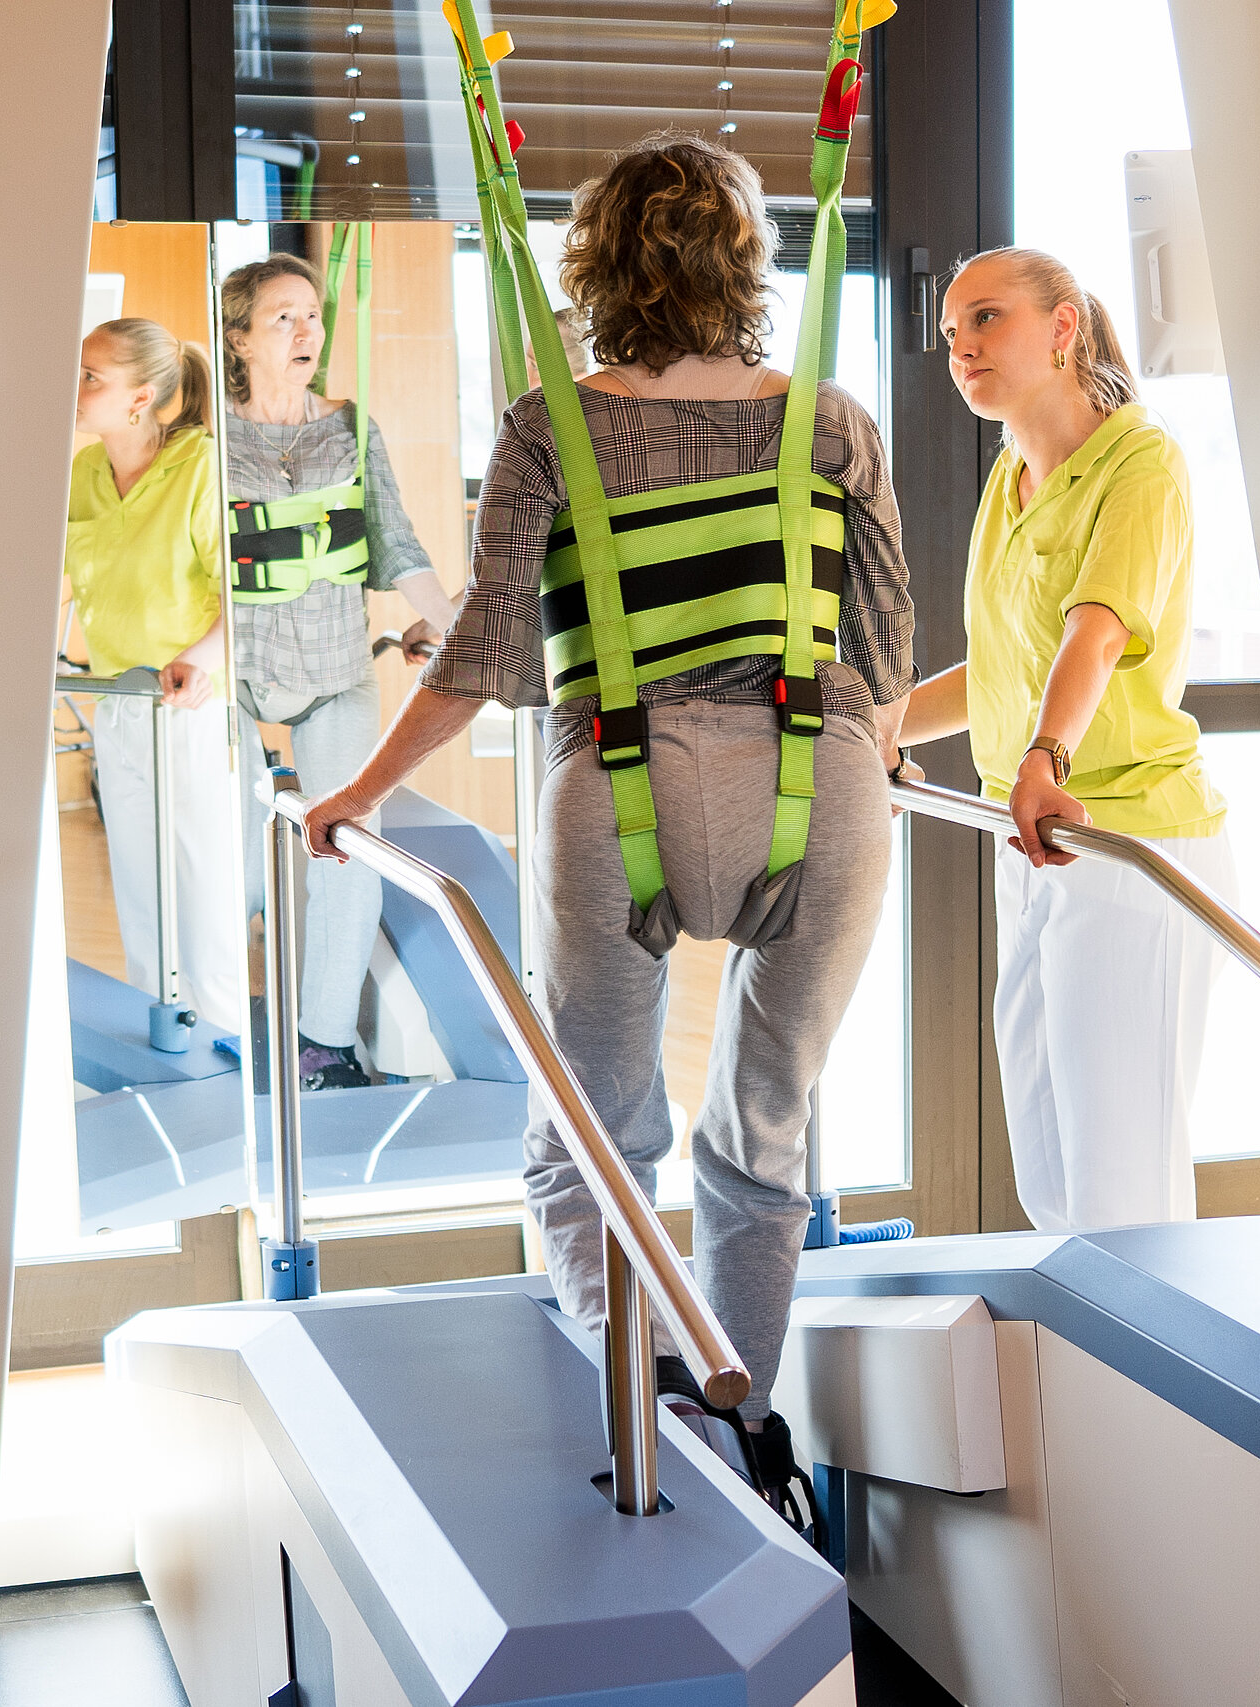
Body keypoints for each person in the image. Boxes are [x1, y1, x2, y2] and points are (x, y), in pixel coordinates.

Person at [300, 134, 911, 1519]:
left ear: (595, 264)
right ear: (746, 264)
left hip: (619, 787)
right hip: (819, 789)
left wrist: (358, 793)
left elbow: (484, 651)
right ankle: (745, 1430)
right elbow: (881, 647)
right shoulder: (830, 422)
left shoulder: (546, 427)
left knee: (588, 1134)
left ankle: (655, 1401)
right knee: (765, 1130)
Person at [897, 246, 1232, 1232]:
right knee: (1049, 1174)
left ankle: (1150, 1339)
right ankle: (1082, 1331)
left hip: (1129, 842)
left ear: (1062, 326)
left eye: (986, 318)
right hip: (1035, 844)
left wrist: (1044, 758)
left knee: (1122, 1183)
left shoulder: (1140, 461)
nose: (961, 347)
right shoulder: (1009, 479)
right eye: (950, 331)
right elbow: (999, 669)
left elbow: (1097, 633)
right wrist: (867, 730)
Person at [219, 253, 461, 1090]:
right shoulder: (213, 438)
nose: (306, 330)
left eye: (313, 314)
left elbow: (396, 542)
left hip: (335, 670)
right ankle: (217, 1021)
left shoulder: (352, 427)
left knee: (350, 853)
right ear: (241, 339)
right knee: (232, 860)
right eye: (283, 316)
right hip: (235, 673)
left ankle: (323, 1043)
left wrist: (455, 628)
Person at [65, 317, 245, 1036]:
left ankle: (227, 1042)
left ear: (140, 397)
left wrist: (199, 661)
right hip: (118, 702)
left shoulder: (201, 464)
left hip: (189, 705)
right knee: (140, 893)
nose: (74, 386)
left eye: (91, 377)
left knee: (203, 893)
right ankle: (161, 1039)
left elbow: (241, 595)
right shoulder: (84, 473)